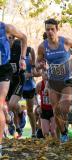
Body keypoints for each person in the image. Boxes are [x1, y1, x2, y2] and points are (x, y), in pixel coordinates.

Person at [36, 18, 72, 143]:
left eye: (52, 29)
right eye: (47, 29)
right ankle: (63, 133)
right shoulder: (42, 46)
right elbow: (37, 62)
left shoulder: (66, 42)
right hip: (52, 82)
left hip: (67, 80)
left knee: (64, 108)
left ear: (57, 29)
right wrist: (39, 65)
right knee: (56, 110)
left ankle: (69, 112)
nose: (50, 32)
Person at [0, 21, 27, 157]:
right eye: (7, 39)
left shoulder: (16, 43)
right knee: (5, 108)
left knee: (9, 104)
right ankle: (11, 122)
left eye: (11, 38)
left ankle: (21, 114)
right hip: (7, 78)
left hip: (17, 79)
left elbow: (24, 39)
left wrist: (23, 59)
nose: (9, 40)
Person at [7, 40, 37, 138]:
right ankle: (18, 128)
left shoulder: (19, 47)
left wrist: (33, 67)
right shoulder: (3, 48)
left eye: (10, 37)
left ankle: (33, 133)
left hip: (27, 84)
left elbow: (32, 50)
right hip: (12, 82)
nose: (8, 39)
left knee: (30, 110)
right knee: (12, 106)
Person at [36, 71, 56, 137]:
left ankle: (57, 146)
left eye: (48, 72)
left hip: (53, 110)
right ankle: (49, 147)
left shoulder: (54, 84)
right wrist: (38, 106)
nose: (46, 74)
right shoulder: (39, 85)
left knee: (53, 132)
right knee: (45, 134)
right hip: (44, 110)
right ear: (41, 74)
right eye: (44, 72)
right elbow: (35, 96)